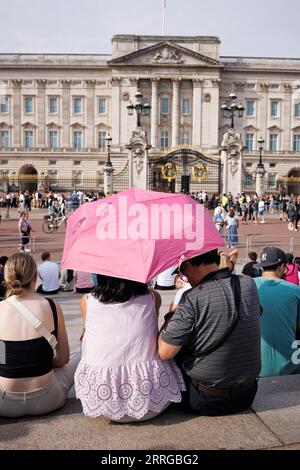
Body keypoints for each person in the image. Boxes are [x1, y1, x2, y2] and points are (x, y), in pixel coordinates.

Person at [158, 250, 261, 416]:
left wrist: (172, 315)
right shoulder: (249, 283)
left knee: (168, 349)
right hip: (247, 394)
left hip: (204, 399)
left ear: (190, 266)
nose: (185, 279)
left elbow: (164, 352)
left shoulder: (192, 297)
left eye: (182, 273)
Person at [75, 274, 185, 422]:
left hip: (103, 405)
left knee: (79, 354)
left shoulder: (87, 301)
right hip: (153, 403)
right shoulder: (153, 297)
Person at [0, 253, 79, 418]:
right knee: (78, 356)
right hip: (47, 400)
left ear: (7, 278)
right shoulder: (51, 306)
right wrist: (38, 360)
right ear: (35, 277)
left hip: (4, 403)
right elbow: (63, 359)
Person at [254, 247, 300, 377]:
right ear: (281, 267)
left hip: (252, 365)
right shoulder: (295, 290)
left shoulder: (247, 286)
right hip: (289, 364)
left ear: (262, 267)